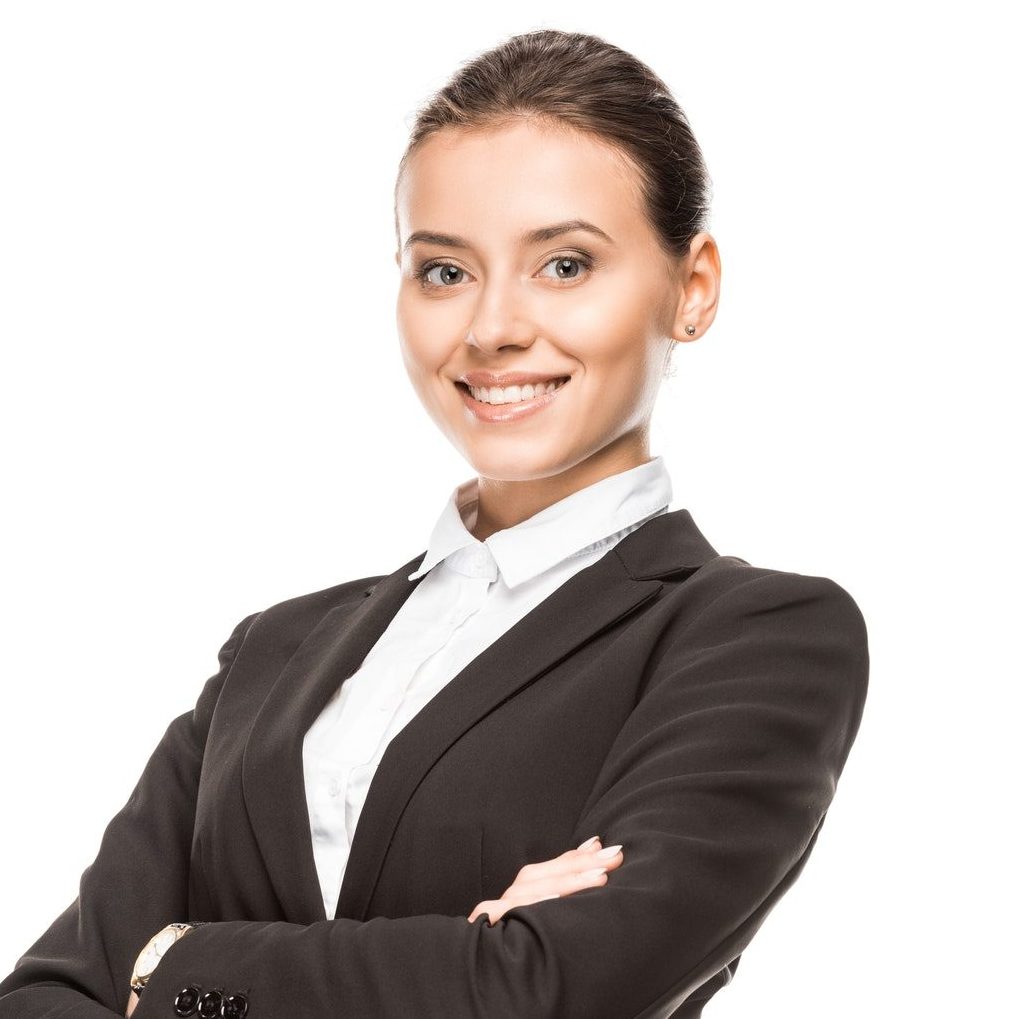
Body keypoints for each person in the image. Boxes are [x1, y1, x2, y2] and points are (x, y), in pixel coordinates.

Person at [0, 27, 869, 1019]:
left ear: (691, 287)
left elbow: (545, 991)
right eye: (444, 271)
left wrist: (164, 965)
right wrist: (467, 948)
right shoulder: (269, 652)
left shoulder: (753, 638)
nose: (491, 327)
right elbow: (45, 990)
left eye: (565, 264)